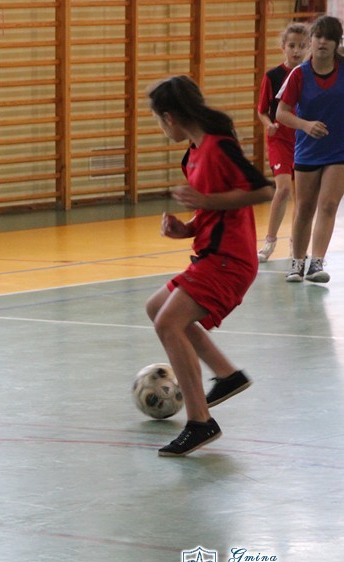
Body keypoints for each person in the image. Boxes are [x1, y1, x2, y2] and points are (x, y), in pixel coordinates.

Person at [146, 76, 272, 457]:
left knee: (168, 323)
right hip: (212, 254)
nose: (161, 127)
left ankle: (200, 422)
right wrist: (186, 229)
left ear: (170, 117)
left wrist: (205, 201)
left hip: (231, 260)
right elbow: (210, 210)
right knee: (156, 308)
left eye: (158, 120)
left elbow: (265, 189)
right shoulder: (193, 154)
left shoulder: (219, 147)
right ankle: (228, 374)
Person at [275, 14, 344, 283]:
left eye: (329, 38)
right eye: (319, 37)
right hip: (308, 150)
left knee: (329, 205)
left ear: (337, 43)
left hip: (339, 150)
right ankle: (297, 263)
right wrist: (305, 125)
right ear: (311, 41)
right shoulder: (299, 74)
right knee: (304, 208)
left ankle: (317, 263)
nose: (323, 42)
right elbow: (281, 113)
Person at [255, 22, 310, 262]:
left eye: (302, 46)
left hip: (304, 141)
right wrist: (269, 125)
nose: (297, 51)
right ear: (283, 47)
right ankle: (270, 241)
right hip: (280, 140)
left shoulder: (309, 75)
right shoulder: (273, 76)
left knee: (303, 197)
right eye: (292, 46)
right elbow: (262, 111)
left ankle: (296, 243)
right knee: (284, 188)